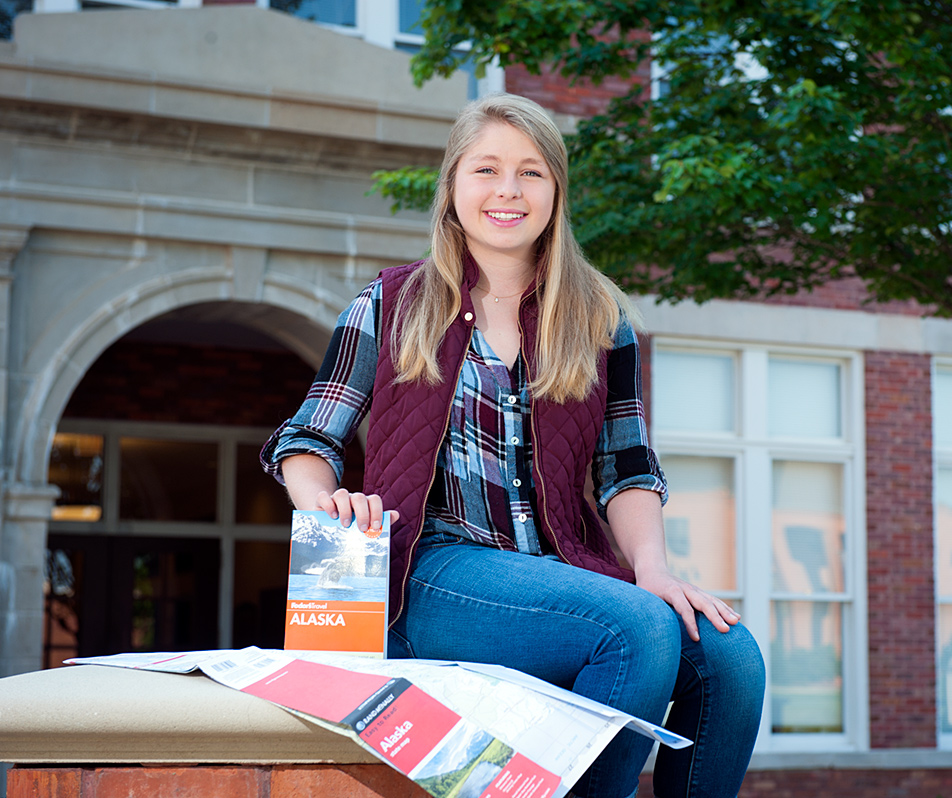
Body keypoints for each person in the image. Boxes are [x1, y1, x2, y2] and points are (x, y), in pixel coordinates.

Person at [261, 92, 765, 798]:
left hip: (565, 566)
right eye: (486, 169)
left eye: (531, 172)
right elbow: (307, 437)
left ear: (556, 191)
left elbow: (627, 465)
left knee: (731, 659)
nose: (507, 190)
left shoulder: (598, 316)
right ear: (453, 186)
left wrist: (651, 565)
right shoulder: (391, 302)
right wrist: (326, 500)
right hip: (429, 571)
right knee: (636, 632)